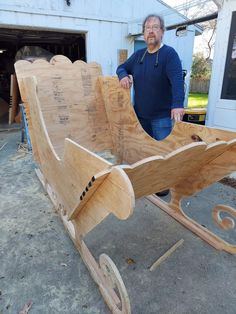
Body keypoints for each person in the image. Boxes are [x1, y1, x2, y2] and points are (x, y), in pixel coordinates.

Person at [116, 14, 185, 196]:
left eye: (155, 27)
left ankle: (162, 186)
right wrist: (123, 75)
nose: (151, 31)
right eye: (147, 28)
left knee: (164, 154)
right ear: (144, 34)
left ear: (162, 32)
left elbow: (177, 80)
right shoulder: (138, 56)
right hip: (141, 117)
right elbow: (121, 67)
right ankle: (147, 180)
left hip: (161, 118)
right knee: (144, 151)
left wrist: (177, 104)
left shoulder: (169, 55)